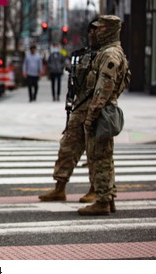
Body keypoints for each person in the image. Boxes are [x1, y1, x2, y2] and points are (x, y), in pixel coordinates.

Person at [38, 20, 100, 204]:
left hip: (95, 111)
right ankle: (59, 188)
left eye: (96, 31)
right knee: (67, 149)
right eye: (91, 31)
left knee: (95, 154)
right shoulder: (86, 55)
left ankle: (96, 189)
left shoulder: (108, 55)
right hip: (79, 109)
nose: (92, 35)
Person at [78, 15, 131, 216]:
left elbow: (103, 90)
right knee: (104, 157)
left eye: (100, 29)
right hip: (104, 110)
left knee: (99, 157)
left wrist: (91, 116)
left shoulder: (110, 55)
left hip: (102, 112)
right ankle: (108, 198)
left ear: (109, 30)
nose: (96, 32)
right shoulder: (110, 52)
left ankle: (102, 201)